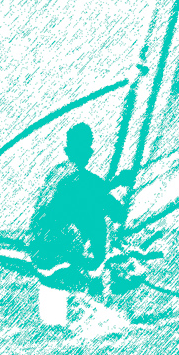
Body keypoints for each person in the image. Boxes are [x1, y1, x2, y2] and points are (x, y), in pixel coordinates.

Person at [27, 122, 127, 294]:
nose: (88, 152)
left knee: (94, 206)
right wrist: (118, 183)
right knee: (96, 212)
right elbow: (117, 213)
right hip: (57, 254)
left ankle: (94, 266)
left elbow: (87, 192)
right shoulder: (81, 180)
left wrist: (112, 186)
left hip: (39, 251)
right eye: (85, 147)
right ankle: (96, 268)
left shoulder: (57, 173)